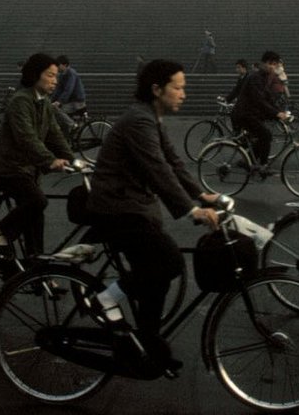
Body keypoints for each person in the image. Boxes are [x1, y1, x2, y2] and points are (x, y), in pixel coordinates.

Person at [86, 59, 220, 371]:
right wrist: (191, 210)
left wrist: (201, 194)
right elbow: (157, 169)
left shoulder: (150, 118)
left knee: (156, 276)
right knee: (169, 261)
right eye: (178, 87)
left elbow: (173, 162)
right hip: (116, 209)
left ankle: (146, 343)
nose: (183, 94)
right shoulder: (139, 120)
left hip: (131, 206)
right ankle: (105, 299)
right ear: (157, 89)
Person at [0, 53, 73, 258]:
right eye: (50, 75)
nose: (55, 80)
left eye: (56, 76)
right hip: (7, 168)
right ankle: (1, 230)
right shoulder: (20, 100)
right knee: (38, 201)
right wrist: (50, 161)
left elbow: (55, 135)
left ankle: (36, 273)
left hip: (25, 170)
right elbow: (26, 138)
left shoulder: (44, 102)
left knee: (36, 220)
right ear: (35, 75)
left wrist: (74, 159)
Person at [231, 51, 290, 168]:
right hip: (245, 114)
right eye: (274, 64)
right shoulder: (255, 77)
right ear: (266, 63)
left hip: (251, 113)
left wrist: (279, 111)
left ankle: (249, 161)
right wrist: (276, 113)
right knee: (266, 135)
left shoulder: (264, 76)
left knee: (262, 136)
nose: (275, 68)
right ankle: (263, 165)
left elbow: (268, 97)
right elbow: (259, 100)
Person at [50, 55, 86, 134]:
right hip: (70, 101)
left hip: (76, 102)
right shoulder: (62, 74)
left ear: (65, 65)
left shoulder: (71, 73)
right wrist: (51, 100)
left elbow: (69, 89)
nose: (57, 68)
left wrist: (59, 101)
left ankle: (72, 125)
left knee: (56, 109)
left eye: (58, 65)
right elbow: (58, 90)